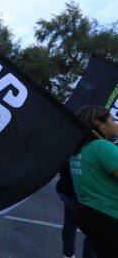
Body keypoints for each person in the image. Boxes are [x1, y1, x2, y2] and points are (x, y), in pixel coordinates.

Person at [70, 106, 118, 257]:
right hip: (109, 218)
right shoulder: (103, 147)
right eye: (112, 119)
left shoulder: (78, 150)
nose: (116, 123)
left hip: (88, 215)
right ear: (99, 123)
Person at [55, 164, 96, 258]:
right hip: (85, 194)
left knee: (70, 224)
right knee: (94, 232)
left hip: (67, 190)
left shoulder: (70, 149)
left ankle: (67, 254)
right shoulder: (101, 150)